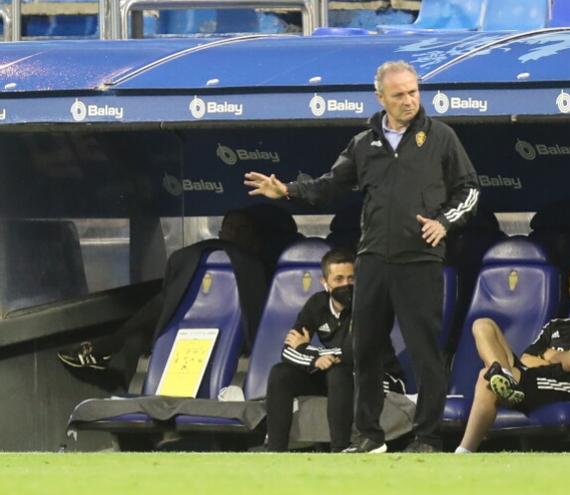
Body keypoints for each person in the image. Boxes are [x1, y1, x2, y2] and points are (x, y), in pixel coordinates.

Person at [244, 60, 479, 453]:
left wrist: (443, 223)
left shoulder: (441, 137)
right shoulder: (363, 143)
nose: (410, 100)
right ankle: (368, 437)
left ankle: (427, 437)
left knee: (424, 352)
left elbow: (469, 190)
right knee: (363, 350)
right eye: (400, 94)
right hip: (371, 260)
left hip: (420, 260)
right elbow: (329, 185)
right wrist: (287, 191)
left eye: (413, 91)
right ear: (381, 97)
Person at [57, 208, 273, 384]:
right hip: (186, 339)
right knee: (138, 338)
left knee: (164, 300)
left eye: (242, 229)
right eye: (230, 228)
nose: (233, 234)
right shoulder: (197, 265)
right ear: (220, 233)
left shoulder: (258, 272)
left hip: (230, 343)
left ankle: (110, 344)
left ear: (255, 240)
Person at [454, 258, 570, 453]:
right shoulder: (556, 325)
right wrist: (567, 357)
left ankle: (464, 451)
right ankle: (505, 377)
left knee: (485, 377)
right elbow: (527, 359)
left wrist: (550, 355)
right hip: (535, 378)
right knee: (482, 324)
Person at [265, 248, 405, 452]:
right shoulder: (317, 304)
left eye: (351, 278)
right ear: (325, 283)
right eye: (338, 279)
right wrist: (314, 360)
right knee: (280, 373)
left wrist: (306, 348)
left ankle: (339, 450)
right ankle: (274, 451)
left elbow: (350, 354)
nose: (346, 285)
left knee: (339, 372)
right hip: (339, 374)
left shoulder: (366, 305)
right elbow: (287, 350)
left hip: (379, 379)